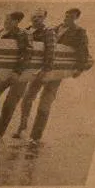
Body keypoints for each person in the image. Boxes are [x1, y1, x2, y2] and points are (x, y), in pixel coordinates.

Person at [28, 8, 92, 143]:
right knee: (28, 96)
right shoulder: (54, 29)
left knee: (45, 103)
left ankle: (35, 137)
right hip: (43, 68)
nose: (67, 18)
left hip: (57, 72)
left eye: (71, 17)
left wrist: (79, 69)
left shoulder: (79, 32)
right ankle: (22, 128)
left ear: (76, 18)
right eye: (66, 15)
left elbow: (83, 50)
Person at [0, 12, 32, 140]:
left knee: (9, 104)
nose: (6, 22)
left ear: (17, 22)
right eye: (6, 19)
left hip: (20, 75)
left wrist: (17, 72)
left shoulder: (23, 34)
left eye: (10, 20)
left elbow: (27, 53)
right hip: (2, 73)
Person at [13, 10, 56, 140]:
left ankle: (30, 133)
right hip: (25, 70)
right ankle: (22, 127)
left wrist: (45, 69)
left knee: (30, 98)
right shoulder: (26, 30)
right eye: (34, 16)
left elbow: (51, 51)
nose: (36, 19)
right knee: (25, 100)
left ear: (44, 18)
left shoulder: (48, 31)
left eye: (40, 17)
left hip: (39, 71)